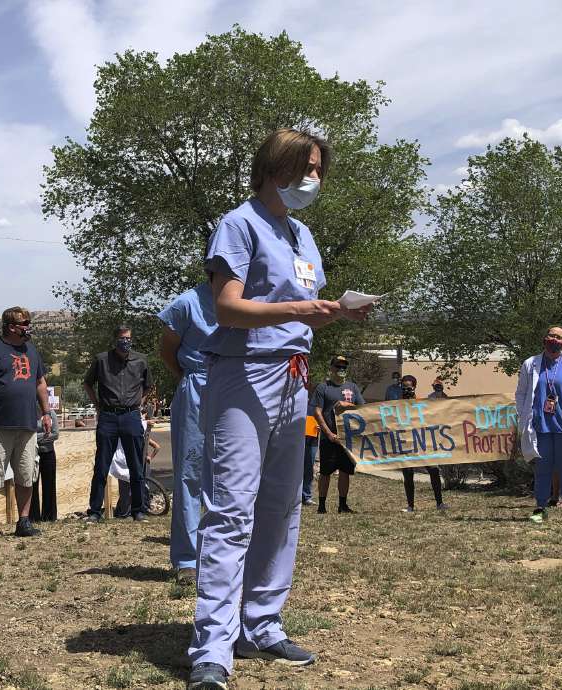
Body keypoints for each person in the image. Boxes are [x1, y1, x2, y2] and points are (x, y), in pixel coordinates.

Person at [187, 128, 369, 690]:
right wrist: (300, 309)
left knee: (283, 505)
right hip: (244, 373)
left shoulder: (302, 234)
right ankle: (212, 649)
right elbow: (227, 308)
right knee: (232, 508)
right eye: (307, 168)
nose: (315, 179)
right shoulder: (238, 224)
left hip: (295, 376)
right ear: (276, 167)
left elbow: (299, 309)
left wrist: (331, 313)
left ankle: (261, 624)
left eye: (319, 170)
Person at [0, 306, 52, 541]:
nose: (28, 327)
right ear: (11, 327)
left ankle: (23, 521)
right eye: (25, 324)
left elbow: (41, 383)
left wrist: (46, 413)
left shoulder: (32, 350)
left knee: (26, 474)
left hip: (27, 424)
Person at [158, 282, 217, 582]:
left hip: (234, 389)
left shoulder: (249, 298)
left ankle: (222, 554)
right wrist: (189, 379)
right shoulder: (186, 304)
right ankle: (187, 559)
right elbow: (166, 351)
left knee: (230, 474)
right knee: (190, 472)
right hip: (196, 388)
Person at [515, 326, 562, 525]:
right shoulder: (530, 364)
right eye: (551, 335)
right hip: (540, 425)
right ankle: (540, 507)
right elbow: (521, 393)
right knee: (542, 468)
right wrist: (523, 416)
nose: (554, 339)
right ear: (544, 338)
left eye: (559, 337)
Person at [84, 325, 154, 523]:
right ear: (115, 340)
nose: (126, 341)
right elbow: (88, 383)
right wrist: (97, 405)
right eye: (122, 338)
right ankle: (95, 512)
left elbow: (148, 386)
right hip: (108, 416)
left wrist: (139, 404)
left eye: (128, 338)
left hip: (131, 416)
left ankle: (138, 510)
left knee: (136, 465)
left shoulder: (141, 360)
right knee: (102, 465)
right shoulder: (101, 360)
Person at [311, 355, 365, 514]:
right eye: (338, 366)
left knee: (345, 471)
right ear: (331, 368)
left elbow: (363, 408)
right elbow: (317, 412)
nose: (341, 369)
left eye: (344, 367)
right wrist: (328, 433)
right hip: (329, 438)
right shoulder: (323, 388)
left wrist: (346, 404)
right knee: (325, 472)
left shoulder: (353, 387)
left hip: (347, 438)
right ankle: (322, 506)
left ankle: (343, 505)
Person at [389, 376, 447, 512]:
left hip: (423, 442)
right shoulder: (396, 405)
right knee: (408, 474)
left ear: (414, 387)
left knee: (433, 470)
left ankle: (439, 503)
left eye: (409, 388)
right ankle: (410, 506)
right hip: (406, 444)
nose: (406, 390)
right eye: (404, 388)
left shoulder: (423, 403)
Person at [31, 408, 59, 522]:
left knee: (49, 485)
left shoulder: (51, 413)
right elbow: (28, 435)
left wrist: (35, 438)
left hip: (48, 453)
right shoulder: (30, 412)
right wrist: (45, 435)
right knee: (32, 485)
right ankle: (33, 517)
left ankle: (49, 517)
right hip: (33, 454)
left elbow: (55, 434)